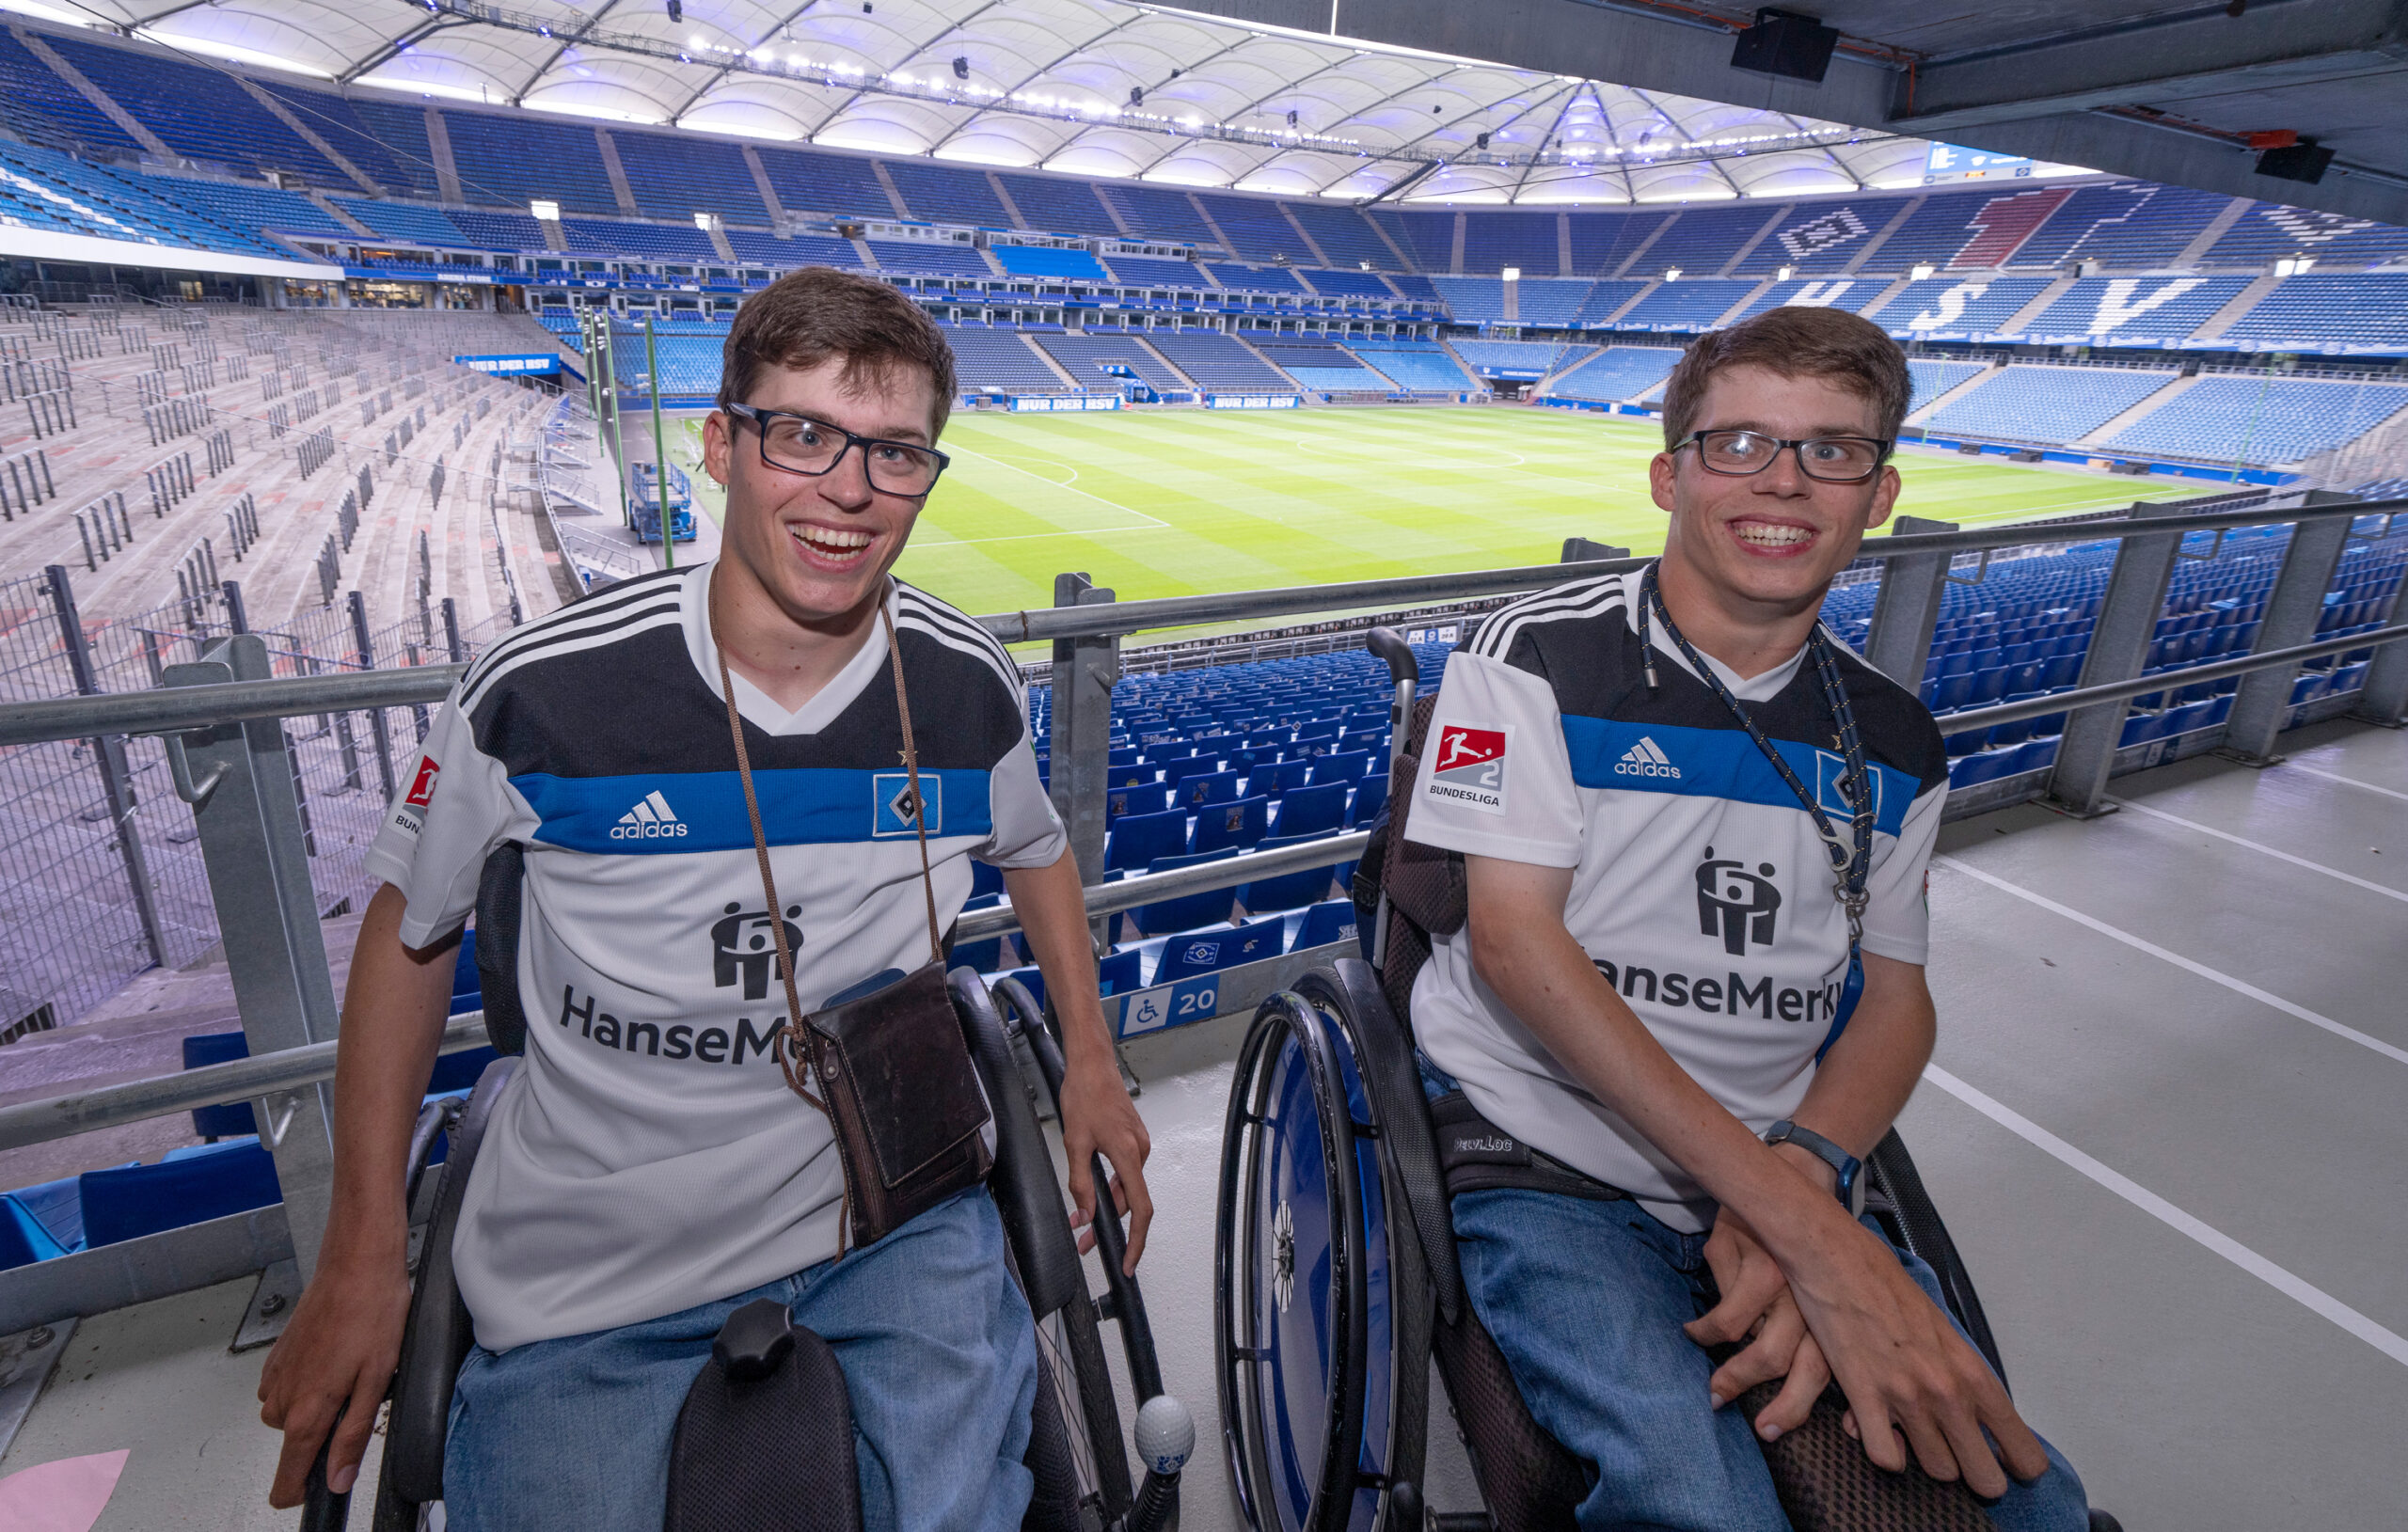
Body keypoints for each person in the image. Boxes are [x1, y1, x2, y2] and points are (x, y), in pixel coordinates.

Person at [258, 266, 1152, 1531]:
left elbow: (1040, 847)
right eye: (805, 435)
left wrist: (1093, 1067)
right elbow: (411, 936)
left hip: (892, 1227)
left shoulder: (965, 686)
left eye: (897, 452)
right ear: (721, 445)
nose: (852, 489)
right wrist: (360, 1249)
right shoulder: (535, 697)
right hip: (584, 1276)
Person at [1402, 307, 2091, 1530]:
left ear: (1878, 493)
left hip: (1781, 1171)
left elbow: (1896, 996)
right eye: (1741, 445)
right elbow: (1512, 944)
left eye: (1832, 449)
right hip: (1549, 1162)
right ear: (1670, 474)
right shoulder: (1533, 658)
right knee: (1699, 1503)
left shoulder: (1896, 737)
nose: (1784, 480)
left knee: (2024, 1498)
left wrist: (1803, 1174)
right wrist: (1803, 1228)